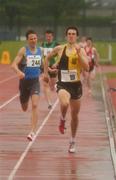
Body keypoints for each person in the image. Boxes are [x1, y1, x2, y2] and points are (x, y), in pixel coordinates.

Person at [43, 26, 89, 153]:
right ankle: (62, 119)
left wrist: (79, 53)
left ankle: (72, 141)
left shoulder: (81, 50)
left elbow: (86, 67)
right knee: (64, 103)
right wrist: (46, 73)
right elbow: (46, 58)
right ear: (66, 36)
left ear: (77, 36)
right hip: (63, 83)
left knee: (75, 115)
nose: (71, 36)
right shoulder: (59, 49)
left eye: (73, 34)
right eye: (69, 33)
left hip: (76, 85)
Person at [11, 29, 43, 141]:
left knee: (34, 105)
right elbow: (14, 64)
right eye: (31, 39)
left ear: (37, 39)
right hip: (24, 83)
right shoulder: (23, 50)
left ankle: (33, 131)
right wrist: (18, 72)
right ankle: (24, 99)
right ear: (28, 40)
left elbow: (42, 65)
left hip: (35, 82)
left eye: (35, 38)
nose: (33, 40)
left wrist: (49, 70)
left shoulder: (40, 50)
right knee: (24, 107)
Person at [42, 30, 59, 109]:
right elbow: (42, 57)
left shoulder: (56, 44)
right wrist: (46, 67)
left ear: (52, 37)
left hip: (54, 67)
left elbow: (60, 55)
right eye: (47, 36)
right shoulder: (43, 44)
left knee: (52, 86)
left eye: (50, 36)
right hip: (45, 67)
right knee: (45, 84)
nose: (48, 38)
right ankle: (49, 103)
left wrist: (57, 65)